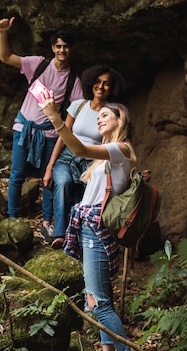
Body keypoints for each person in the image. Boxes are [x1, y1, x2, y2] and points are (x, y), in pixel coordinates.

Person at [39, 97, 144, 351]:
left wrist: (56, 118)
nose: (99, 119)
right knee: (94, 297)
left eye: (105, 116)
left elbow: (79, 148)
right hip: (89, 229)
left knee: (100, 303)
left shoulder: (120, 150)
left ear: (120, 121)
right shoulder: (106, 156)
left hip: (96, 233)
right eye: (98, 116)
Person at [0, 17, 84, 244]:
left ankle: (47, 223)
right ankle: (12, 218)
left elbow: (76, 113)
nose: (62, 50)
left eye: (66, 46)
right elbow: (5, 57)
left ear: (71, 49)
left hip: (49, 133)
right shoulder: (38, 64)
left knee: (48, 180)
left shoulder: (73, 80)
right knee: (17, 174)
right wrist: (3, 33)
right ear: (52, 48)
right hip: (24, 127)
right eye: (58, 46)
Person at [43, 64, 126, 249]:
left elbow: (110, 144)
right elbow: (62, 137)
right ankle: (59, 235)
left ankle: (79, 238)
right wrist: (49, 167)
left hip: (91, 163)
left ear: (112, 88)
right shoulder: (78, 106)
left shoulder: (111, 115)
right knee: (63, 183)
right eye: (97, 82)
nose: (101, 86)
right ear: (90, 83)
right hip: (67, 158)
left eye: (107, 84)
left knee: (84, 200)